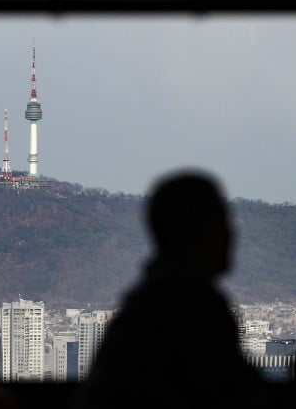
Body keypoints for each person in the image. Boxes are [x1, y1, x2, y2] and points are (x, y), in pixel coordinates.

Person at [73, 169, 270, 409]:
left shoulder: (148, 305)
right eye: (221, 221)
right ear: (199, 232)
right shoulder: (191, 309)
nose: (231, 233)